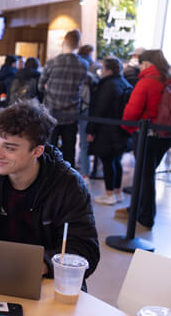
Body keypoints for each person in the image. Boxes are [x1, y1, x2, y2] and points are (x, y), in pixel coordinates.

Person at [0, 100, 100, 281]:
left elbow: (85, 251)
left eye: (9, 148)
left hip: (44, 283)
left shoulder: (69, 186)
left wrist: (42, 264)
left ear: (37, 151)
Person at [117, 49, 171, 229]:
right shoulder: (168, 79)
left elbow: (132, 111)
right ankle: (136, 210)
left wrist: (128, 128)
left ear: (147, 64)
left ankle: (145, 217)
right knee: (146, 174)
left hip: (147, 135)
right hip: (165, 135)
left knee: (145, 176)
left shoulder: (146, 82)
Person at [86, 57, 132, 205]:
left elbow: (100, 109)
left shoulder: (107, 85)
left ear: (109, 70)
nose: (101, 71)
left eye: (103, 68)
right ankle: (117, 192)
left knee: (107, 161)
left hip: (107, 130)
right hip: (120, 129)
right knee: (116, 160)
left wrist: (90, 130)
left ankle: (109, 194)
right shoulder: (123, 82)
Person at [38, 29, 88, 167]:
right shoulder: (84, 64)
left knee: (48, 148)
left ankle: (48, 177)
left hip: (51, 112)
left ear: (63, 42)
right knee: (69, 150)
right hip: (72, 113)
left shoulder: (52, 62)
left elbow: (40, 85)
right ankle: (68, 179)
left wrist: (49, 89)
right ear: (78, 45)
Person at [77, 45, 100, 182]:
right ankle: (84, 172)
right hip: (86, 108)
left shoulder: (75, 64)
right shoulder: (93, 67)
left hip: (71, 108)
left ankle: (81, 168)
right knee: (84, 142)